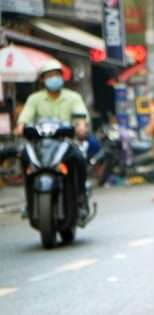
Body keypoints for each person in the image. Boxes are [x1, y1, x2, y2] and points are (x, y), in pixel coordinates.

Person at [16, 59, 90, 208]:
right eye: (49, 76)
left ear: (62, 77)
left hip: (66, 143)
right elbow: (24, 119)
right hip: (41, 145)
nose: (53, 78)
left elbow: (81, 117)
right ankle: (29, 200)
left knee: (80, 158)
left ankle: (81, 196)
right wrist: (20, 127)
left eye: (56, 75)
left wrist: (81, 126)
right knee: (24, 157)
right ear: (43, 79)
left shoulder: (73, 97)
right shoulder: (34, 99)